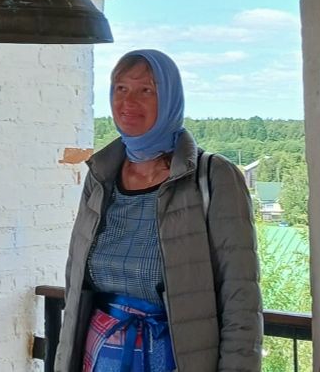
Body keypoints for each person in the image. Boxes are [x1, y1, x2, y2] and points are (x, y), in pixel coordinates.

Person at [54, 49, 262, 372]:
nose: (128, 101)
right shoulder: (101, 176)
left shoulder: (213, 177)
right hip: (98, 356)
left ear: (169, 99)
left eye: (146, 90)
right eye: (121, 88)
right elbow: (75, 283)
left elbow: (241, 297)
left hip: (174, 359)